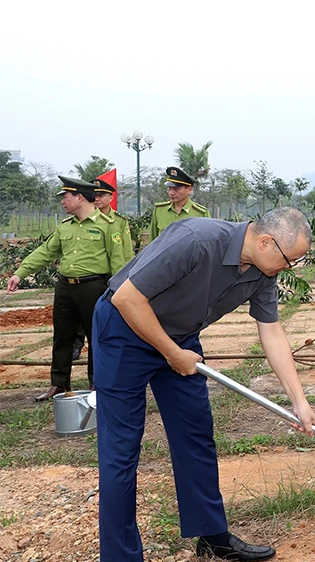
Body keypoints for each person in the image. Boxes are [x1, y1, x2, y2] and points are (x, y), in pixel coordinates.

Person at [93, 208, 315, 562]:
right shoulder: (196, 240)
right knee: (121, 450)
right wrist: (170, 353)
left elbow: (271, 331)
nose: (289, 267)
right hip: (124, 329)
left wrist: (300, 402)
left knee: (195, 435)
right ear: (266, 242)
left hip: (180, 338)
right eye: (290, 259)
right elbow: (129, 297)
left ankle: (211, 535)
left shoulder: (263, 271)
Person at [6, 177, 124, 402]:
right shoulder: (64, 227)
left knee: (97, 338)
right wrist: (20, 273)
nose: (62, 202)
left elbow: (119, 263)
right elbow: (45, 252)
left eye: (65, 197)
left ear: (79, 197)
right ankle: (59, 384)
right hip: (65, 288)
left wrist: (118, 295)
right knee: (62, 337)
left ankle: (97, 384)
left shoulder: (109, 226)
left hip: (94, 288)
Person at [71, 177, 137, 361]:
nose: (97, 199)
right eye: (94, 195)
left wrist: (125, 275)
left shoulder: (118, 221)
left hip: (111, 274)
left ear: (110, 197)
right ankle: (76, 345)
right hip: (91, 276)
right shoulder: (81, 218)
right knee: (80, 315)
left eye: (101, 195)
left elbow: (124, 249)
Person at [148, 167, 208, 241]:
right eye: (169, 188)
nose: (171, 193)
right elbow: (153, 242)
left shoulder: (200, 213)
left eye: (176, 189)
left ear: (189, 190)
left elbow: (207, 242)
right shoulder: (159, 210)